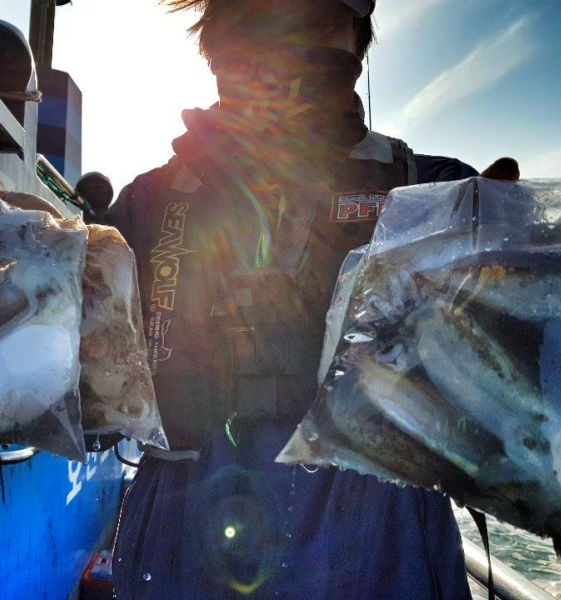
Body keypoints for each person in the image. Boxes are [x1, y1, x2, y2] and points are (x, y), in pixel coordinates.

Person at [106, 1, 518, 598]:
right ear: (214, 40)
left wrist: (513, 284)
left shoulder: (437, 192)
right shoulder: (144, 205)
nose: (287, 40)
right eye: (260, 16)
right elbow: (80, 376)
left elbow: (520, 392)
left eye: (317, 18)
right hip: (183, 524)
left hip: (384, 531)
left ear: (358, 41)